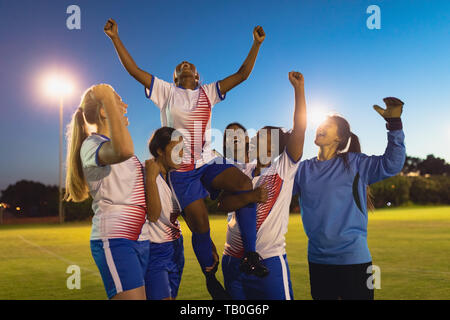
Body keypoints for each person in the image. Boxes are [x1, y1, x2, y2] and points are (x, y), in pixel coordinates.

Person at [104, 18, 268, 286]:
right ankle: (210, 277)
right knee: (201, 228)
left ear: (197, 76)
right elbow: (134, 69)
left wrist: (256, 44)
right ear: (175, 77)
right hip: (181, 171)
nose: (185, 64)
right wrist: (115, 38)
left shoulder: (208, 92)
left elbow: (242, 75)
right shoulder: (166, 92)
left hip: (206, 161)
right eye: (180, 66)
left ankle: (251, 254)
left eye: (190, 65)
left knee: (243, 183)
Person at [292, 97, 406, 300]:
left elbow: (392, 164)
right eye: (320, 124)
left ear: (339, 138)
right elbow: (274, 190)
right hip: (318, 262)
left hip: (355, 261)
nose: (320, 127)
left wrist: (394, 125)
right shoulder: (302, 170)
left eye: (327, 125)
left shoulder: (355, 164)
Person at [219, 71, 307, 299]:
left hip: (267, 260)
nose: (255, 139)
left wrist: (299, 89)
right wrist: (250, 197)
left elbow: (300, 129)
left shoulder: (283, 168)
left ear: (273, 148)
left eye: (262, 137)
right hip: (233, 260)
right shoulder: (241, 170)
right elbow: (223, 203)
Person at [65, 84, 150, 300]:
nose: (125, 105)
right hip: (115, 238)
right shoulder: (91, 145)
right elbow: (123, 150)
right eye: (118, 101)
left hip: (140, 236)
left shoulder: (108, 145)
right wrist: (106, 98)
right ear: (104, 110)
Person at [143, 127, 185, 300]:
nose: (180, 154)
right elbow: (153, 215)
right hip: (155, 249)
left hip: (176, 247)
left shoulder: (175, 178)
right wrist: (151, 179)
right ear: (159, 150)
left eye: (182, 149)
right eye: (175, 149)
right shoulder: (146, 175)